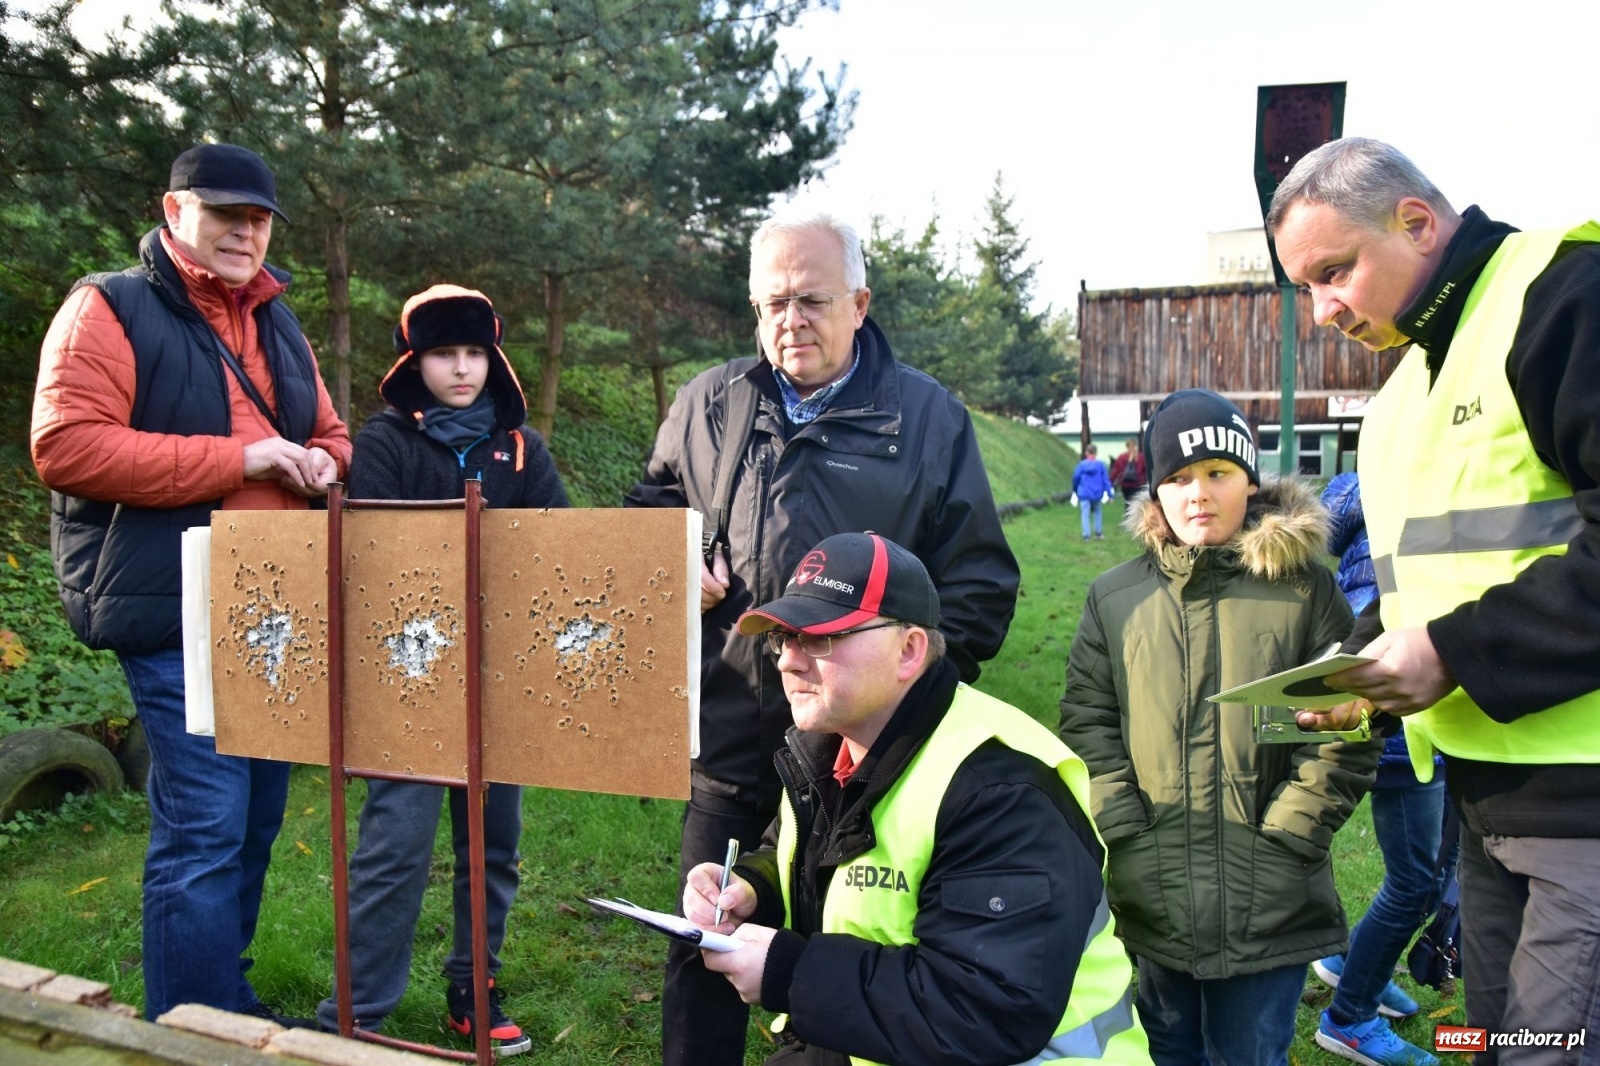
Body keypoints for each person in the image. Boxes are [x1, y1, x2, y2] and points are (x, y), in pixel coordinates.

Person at [626, 210, 1020, 1065]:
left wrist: (896, 699)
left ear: (860, 304)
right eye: (772, 304)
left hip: (862, 760)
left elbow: (981, 588)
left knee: (848, 961)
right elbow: (647, 519)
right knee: (707, 937)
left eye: (811, 300)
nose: (789, 322)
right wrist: (670, 566)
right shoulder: (708, 405)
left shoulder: (927, 419)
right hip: (731, 742)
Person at [1269, 136, 1600, 1064]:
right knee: (1490, 1044)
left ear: (1416, 222)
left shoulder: (1563, 295)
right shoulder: (1402, 393)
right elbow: (1433, 575)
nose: (1324, 309)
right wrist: (1361, 669)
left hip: (1587, 809)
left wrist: (1450, 652)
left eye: (1335, 272)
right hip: (1485, 805)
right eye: (1306, 289)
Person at [30, 143, 351, 1022]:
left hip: (277, 609)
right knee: (205, 826)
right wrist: (239, 459)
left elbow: (331, 431)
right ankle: (193, 1027)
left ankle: (220, 1003)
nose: (245, 232)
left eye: (258, 218)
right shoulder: (109, 305)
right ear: (175, 213)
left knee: (252, 822)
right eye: (225, 214)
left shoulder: (278, 320)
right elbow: (65, 445)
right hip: (176, 607)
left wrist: (323, 463)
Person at [685, 531, 1152, 1066]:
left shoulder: (1001, 792)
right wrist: (752, 887)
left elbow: (984, 1011)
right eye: (782, 639)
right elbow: (805, 854)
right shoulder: (831, 748)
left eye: (818, 638)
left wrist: (791, 974)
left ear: (909, 651)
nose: (787, 662)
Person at [1058, 389, 1376, 1066]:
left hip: (1270, 895)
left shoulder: (1306, 591)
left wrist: (1291, 832)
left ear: (1250, 479)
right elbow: (1088, 721)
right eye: (1177, 478)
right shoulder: (1115, 599)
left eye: (1217, 473)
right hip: (1151, 889)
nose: (1197, 493)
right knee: (1165, 1047)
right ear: (1154, 491)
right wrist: (1124, 828)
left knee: (1248, 1053)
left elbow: (1346, 726)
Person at [311, 285, 568, 1053]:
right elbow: (379, 563)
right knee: (395, 848)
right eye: (441, 354)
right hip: (411, 681)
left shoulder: (523, 451)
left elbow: (555, 555)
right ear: (413, 360)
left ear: (492, 359)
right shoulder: (385, 444)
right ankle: (356, 1019)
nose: (460, 369)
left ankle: (473, 991)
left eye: (472, 353)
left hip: (499, 682)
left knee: (492, 847)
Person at [1310, 472, 1451, 1066]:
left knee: (1432, 867)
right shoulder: (1422, 475)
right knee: (1417, 879)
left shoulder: (1364, 482)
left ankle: (1351, 964)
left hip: (1420, 709)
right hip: (1402, 712)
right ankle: (1350, 1017)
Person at [1072, 443, 1114, 540]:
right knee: (1098, 512)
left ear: (1086, 453)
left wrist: (1075, 490)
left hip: (1084, 493)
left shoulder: (1081, 465)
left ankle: (1086, 535)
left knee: (1085, 514)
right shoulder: (1101, 465)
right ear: (1096, 453)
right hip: (1097, 493)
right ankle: (1098, 533)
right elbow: (1105, 481)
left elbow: (1075, 478)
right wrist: (1110, 494)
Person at [1108, 437, 1147, 502]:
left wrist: (1110, 482)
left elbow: (1115, 471)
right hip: (1138, 484)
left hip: (1125, 484)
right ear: (1136, 445)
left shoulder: (1122, 457)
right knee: (1137, 504)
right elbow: (1146, 471)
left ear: (1126, 446)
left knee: (1127, 503)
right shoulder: (1141, 457)